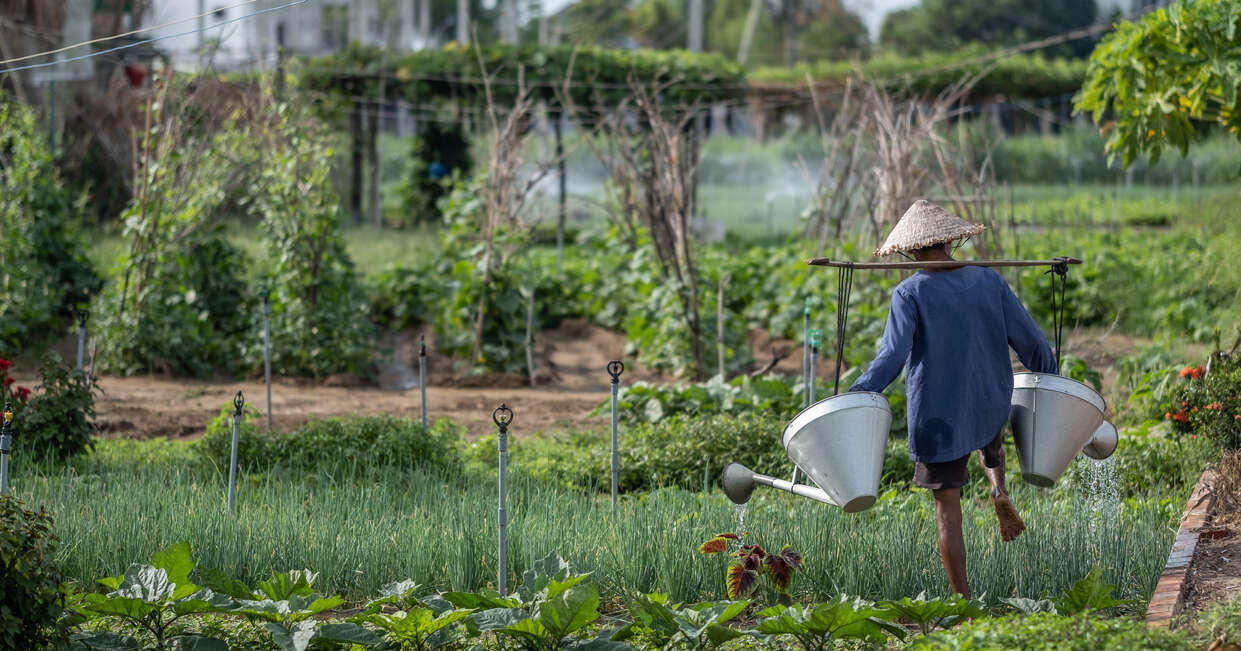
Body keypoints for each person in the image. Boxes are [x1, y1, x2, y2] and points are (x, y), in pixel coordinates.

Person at [849, 200, 1057, 600]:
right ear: (949, 241)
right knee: (985, 435)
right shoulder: (989, 281)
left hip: (938, 414)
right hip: (989, 397)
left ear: (910, 251)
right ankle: (998, 489)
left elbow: (892, 357)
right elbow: (1030, 341)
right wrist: (1051, 378)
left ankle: (963, 603)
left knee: (948, 511)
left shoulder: (909, 292)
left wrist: (858, 394)